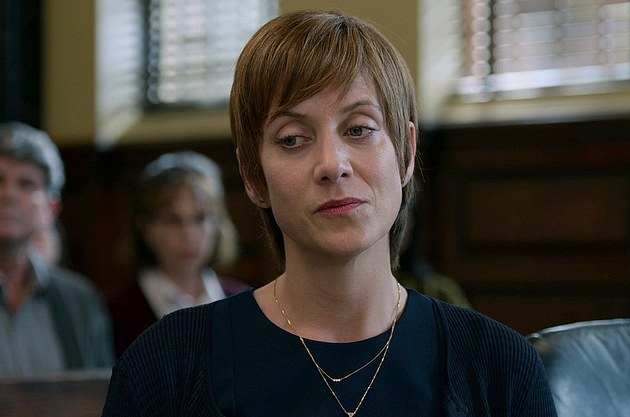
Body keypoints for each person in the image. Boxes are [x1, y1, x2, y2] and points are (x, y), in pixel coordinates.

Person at [102, 10, 556, 416]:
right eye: (292, 139)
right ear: (254, 176)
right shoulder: (166, 367)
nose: (332, 165)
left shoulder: (499, 367)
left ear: (406, 152)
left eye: (359, 129)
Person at [106, 151, 249, 356]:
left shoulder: (243, 302)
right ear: (144, 226)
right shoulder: (114, 312)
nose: (188, 234)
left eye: (199, 218)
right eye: (172, 220)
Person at [0, 121, 114, 375]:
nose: (9, 195)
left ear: (51, 209)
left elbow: (101, 392)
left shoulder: (81, 301)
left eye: (26, 184)